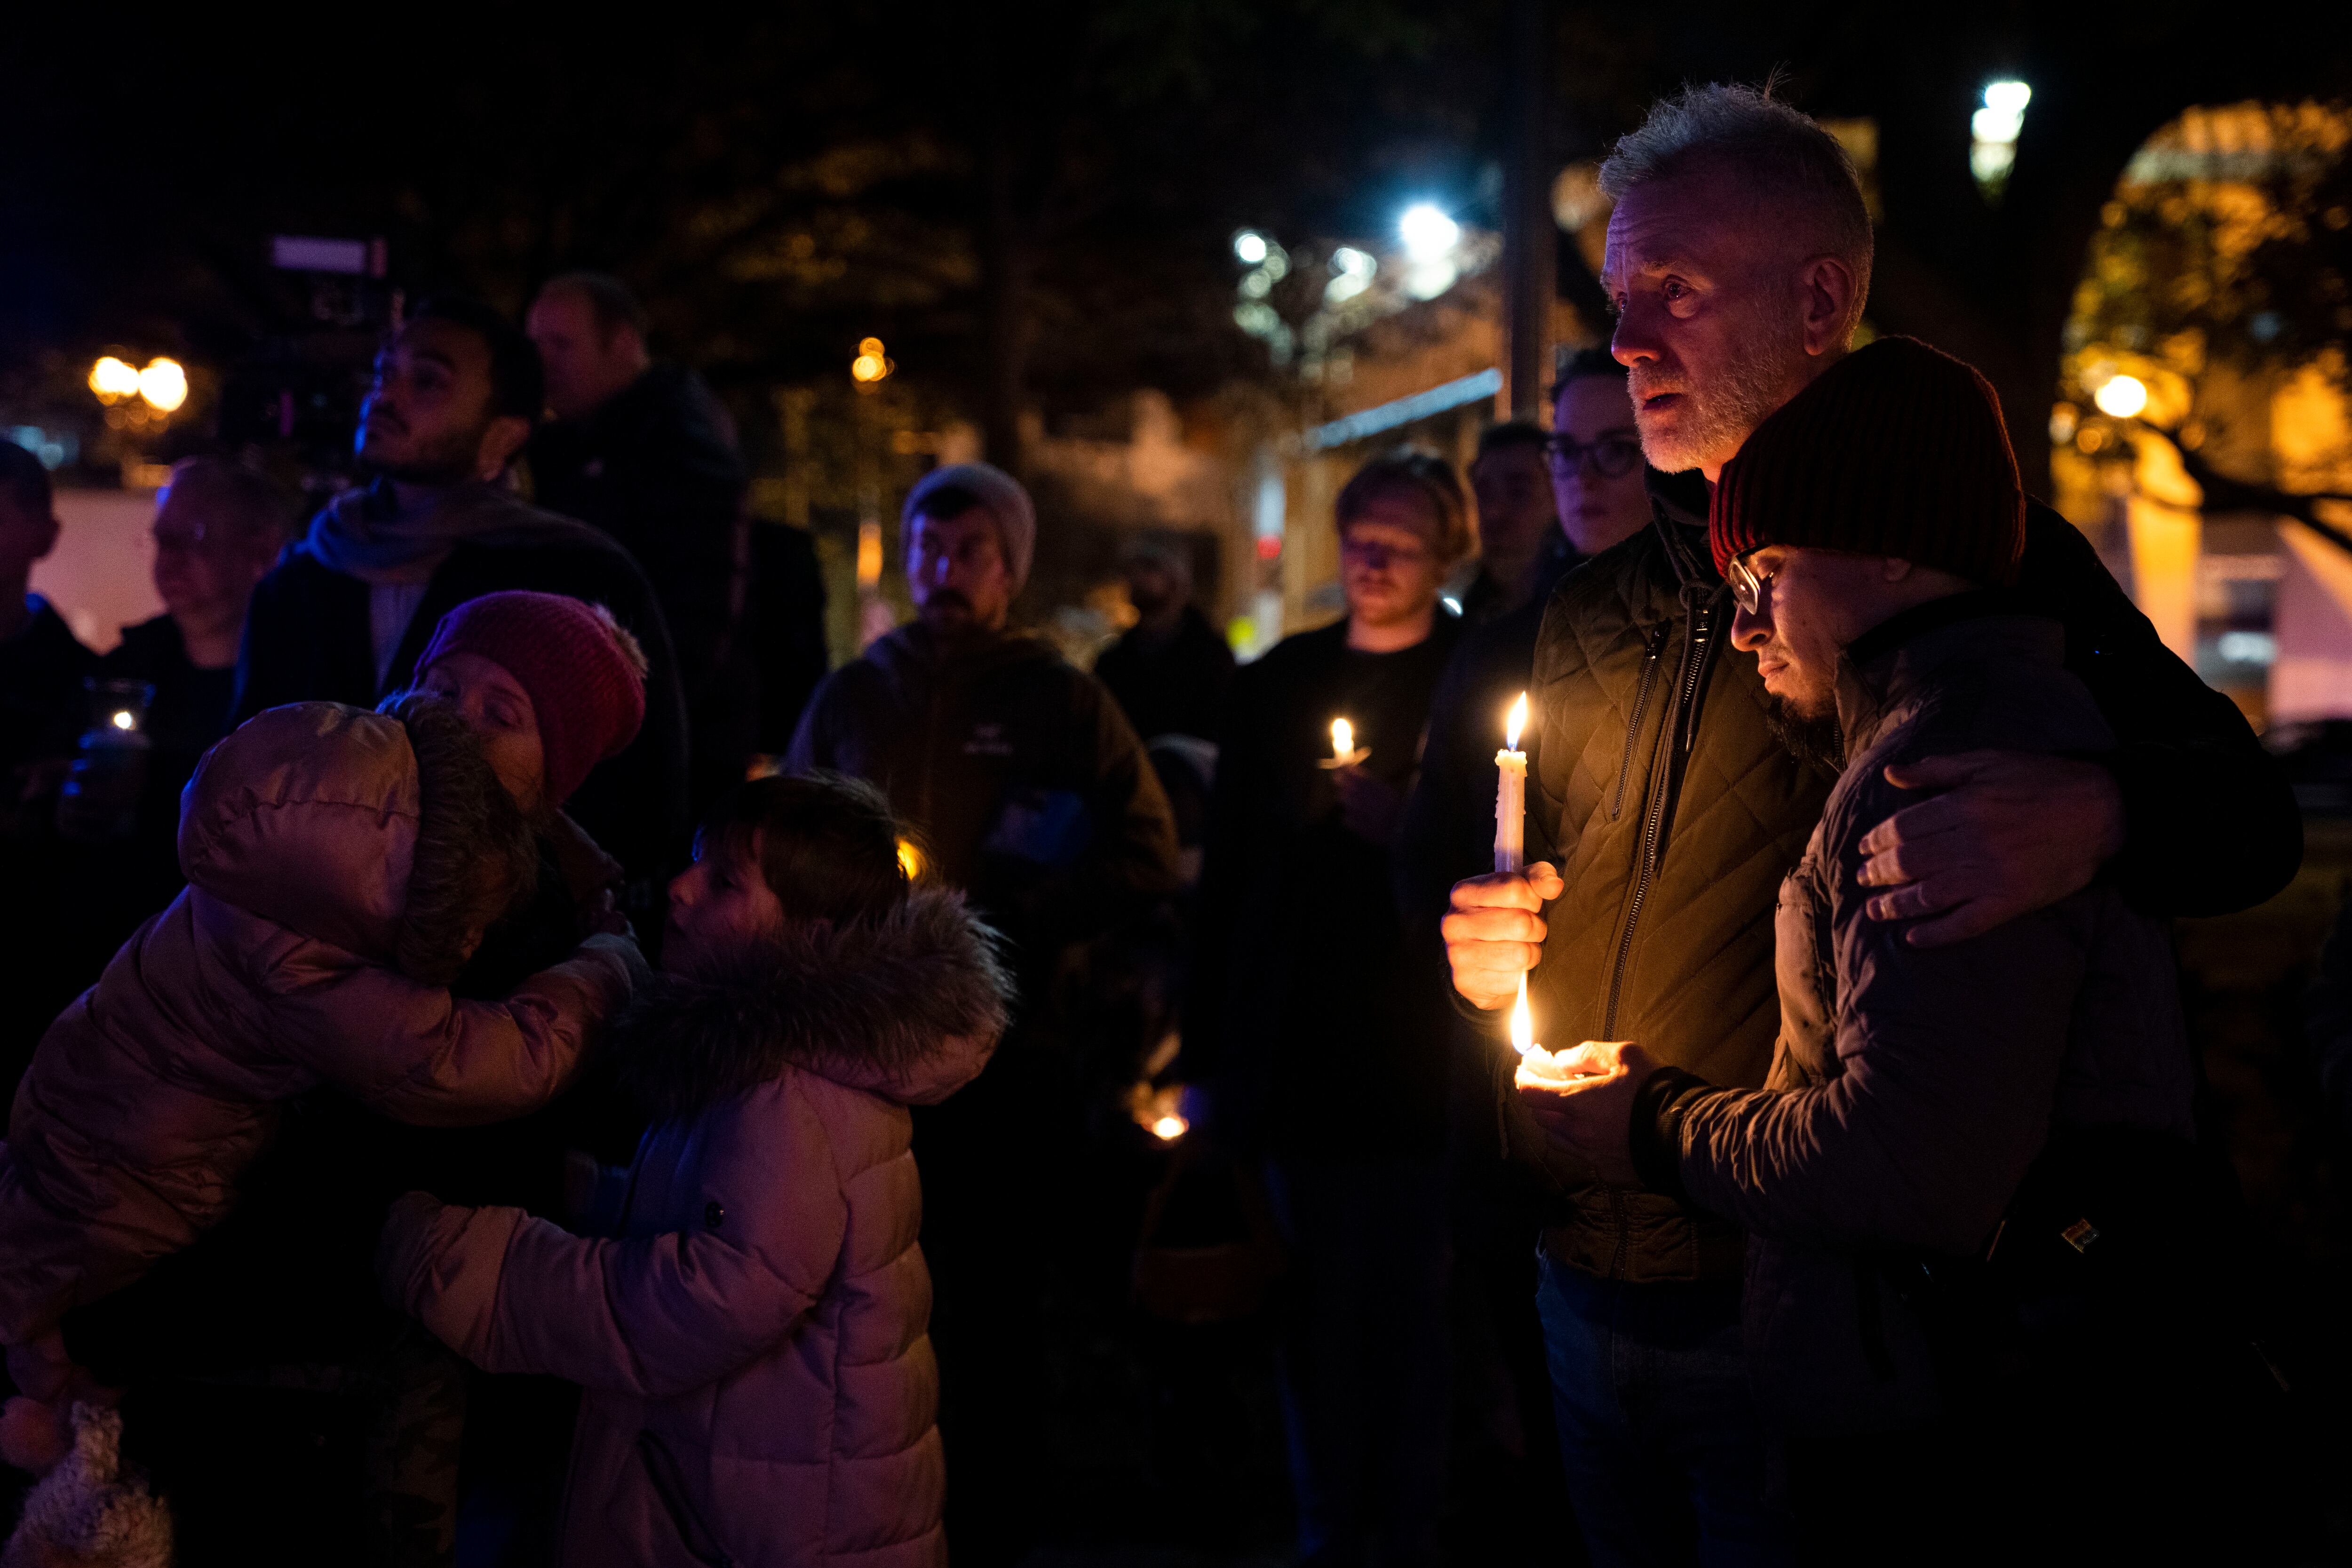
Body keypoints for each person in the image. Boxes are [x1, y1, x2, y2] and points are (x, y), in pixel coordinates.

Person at [1436, 83, 2301, 1566]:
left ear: (1821, 299)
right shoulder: (1589, 606)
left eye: (1675, 292)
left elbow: (2244, 820)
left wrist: (2103, 807)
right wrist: (1480, 945)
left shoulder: (1967, 568)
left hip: (1830, 1316)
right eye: (1618, 292)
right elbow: (1489, 879)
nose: (1628, 336)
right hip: (1589, 1281)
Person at [1520, 337, 2242, 1560]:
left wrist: (1653, 1123)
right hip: (1923, 1380)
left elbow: (1912, 1161)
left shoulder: (1952, 761)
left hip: (1970, 1420)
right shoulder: (1913, 728)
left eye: (1768, 570)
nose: (1743, 622)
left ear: (1894, 549)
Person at [379, 772, 1013, 1568]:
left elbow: (711, 1294)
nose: (678, 889)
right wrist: (595, 1194)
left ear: (809, 933)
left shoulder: (787, 1093)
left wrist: (485, 1269)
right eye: (693, 860)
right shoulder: (786, 1062)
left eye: (722, 882)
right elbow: (743, 1223)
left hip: (757, 1533)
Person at [0, 695, 644, 1434]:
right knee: (73, 1300)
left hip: (78, 1083)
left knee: (42, 1220)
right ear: (417, 902)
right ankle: (54, 1413)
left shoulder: (293, 821)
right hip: (148, 1166)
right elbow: (485, 1062)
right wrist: (609, 964)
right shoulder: (309, 966)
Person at [785, 460, 1179, 1566]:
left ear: (1008, 567)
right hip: (861, 1055)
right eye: (927, 549)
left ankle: (1000, 1519)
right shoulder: (861, 690)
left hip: (1013, 1058)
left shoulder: (1058, 699)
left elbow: (1143, 851)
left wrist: (1014, 922)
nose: (942, 572)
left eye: (968, 553)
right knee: (872, 1306)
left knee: (995, 1307)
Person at [1392, 351, 1655, 1560]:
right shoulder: (1503, 648)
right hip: (1513, 1109)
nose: (1588, 478)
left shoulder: (1730, 635)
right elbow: (1423, 859)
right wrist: (1474, 922)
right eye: (1568, 451)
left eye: (1619, 448)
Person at [1186, 446, 1470, 1566]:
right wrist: (1206, 1053)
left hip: (1423, 1063)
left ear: (1442, 552)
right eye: (1359, 537)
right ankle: (1326, 1532)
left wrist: (1408, 833)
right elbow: (1226, 888)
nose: (1374, 559)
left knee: (1414, 1323)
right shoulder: (1275, 689)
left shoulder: (1467, 678)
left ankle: (1405, 1532)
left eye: (1399, 540)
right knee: (1315, 1321)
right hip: (1298, 1056)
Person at [233, 294, 689, 899]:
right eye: (383, 373)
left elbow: (640, 800)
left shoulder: (572, 573)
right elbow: (240, 768)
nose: (386, 397)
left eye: (428, 381)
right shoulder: (305, 575)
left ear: (502, 436)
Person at [527, 272, 756, 811]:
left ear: (623, 343)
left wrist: (629, 727)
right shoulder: (584, 444)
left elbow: (697, 613)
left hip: (657, 756)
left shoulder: (673, 446)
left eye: (562, 344)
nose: (544, 363)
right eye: (535, 345)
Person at [64, 458, 297, 925]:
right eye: (159, 540)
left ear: (262, 551)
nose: (166, 560)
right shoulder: (125, 669)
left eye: (188, 539)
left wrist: (150, 792)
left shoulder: (301, 681)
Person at [1092, 533, 1234, 743]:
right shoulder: (1113, 662)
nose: (1136, 577)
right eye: (1132, 567)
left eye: (1150, 567)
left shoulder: (1212, 660)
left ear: (1177, 579)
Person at [1459, 421, 1569, 624]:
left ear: (1559, 498)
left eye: (1519, 493)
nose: (1493, 512)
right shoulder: (1467, 622)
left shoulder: (1583, 611)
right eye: (1484, 493)